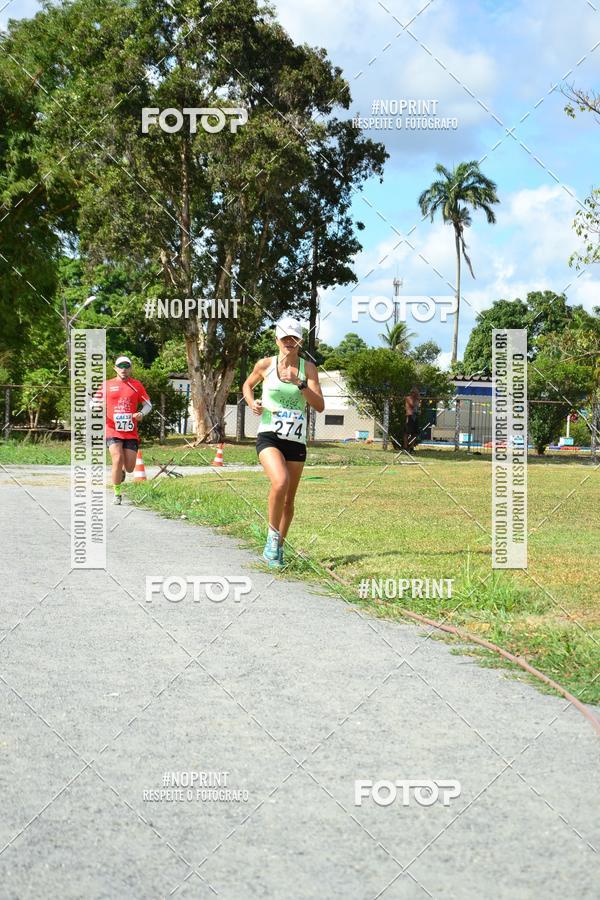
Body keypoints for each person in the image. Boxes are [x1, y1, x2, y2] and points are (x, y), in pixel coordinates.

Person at [242, 317, 324, 568]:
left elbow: (319, 406)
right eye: (285, 337)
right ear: (277, 339)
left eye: (294, 338)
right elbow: (247, 384)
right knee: (280, 481)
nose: (289, 342)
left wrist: (299, 384)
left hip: (296, 440)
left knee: (289, 500)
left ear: (300, 341)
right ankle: (271, 537)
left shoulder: (308, 369)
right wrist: (251, 402)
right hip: (269, 435)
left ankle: (277, 548)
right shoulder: (265, 365)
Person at [92, 356, 152, 504]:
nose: (123, 369)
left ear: (130, 368)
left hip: (130, 431)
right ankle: (117, 494)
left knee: (131, 468)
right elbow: (92, 403)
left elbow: (148, 405)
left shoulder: (136, 385)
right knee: (117, 459)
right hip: (112, 428)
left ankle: (123, 471)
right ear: (115, 368)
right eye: (120, 366)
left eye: (126, 366)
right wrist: (97, 406)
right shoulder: (107, 384)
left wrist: (141, 414)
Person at [404, 387, 421, 452]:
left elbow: (417, 408)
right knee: (407, 433)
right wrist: (416, 399)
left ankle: (411, 447)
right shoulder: (408, 398)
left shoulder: (417, 400)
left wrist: (419, 411)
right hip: (410, 416)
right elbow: (412, 405)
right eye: (415, 393)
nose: (416, 394)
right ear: (412, 393)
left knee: (415, 433)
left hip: (415, 416)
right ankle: (405, 447)